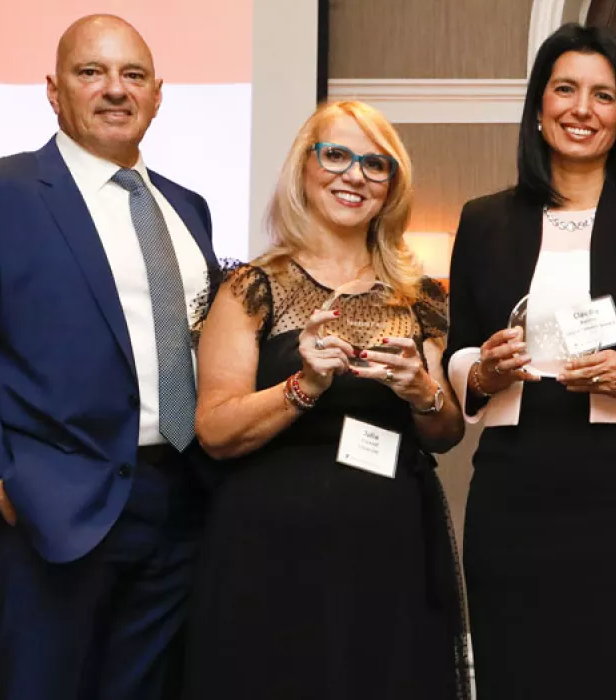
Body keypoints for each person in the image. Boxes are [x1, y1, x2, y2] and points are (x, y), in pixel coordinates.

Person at [444, 24, 616, 699]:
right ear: (538, 107)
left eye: (603, 95)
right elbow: (460, 351)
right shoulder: (483, 219)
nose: (581, 109)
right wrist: (484, 371)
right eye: (565, 89)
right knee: (522, 666)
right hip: (517, 487)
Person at [181, 100, 467, 699]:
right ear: (304, 170)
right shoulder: (250, 287)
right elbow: (214, 429)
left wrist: (423, 392)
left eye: (375, 164)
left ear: (392, 186)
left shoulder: (418, 299)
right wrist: (302, 387)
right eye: (335, 154)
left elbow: (445, 432)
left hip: (390, 551)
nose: (354, 174)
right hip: (272, 553)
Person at [0, 15, 218, 699]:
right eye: (92, 72)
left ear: (158, 94)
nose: (115, 89)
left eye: (132, 75)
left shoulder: (187, 207)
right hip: (49, 512)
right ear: (55, 91)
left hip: (181, 503)